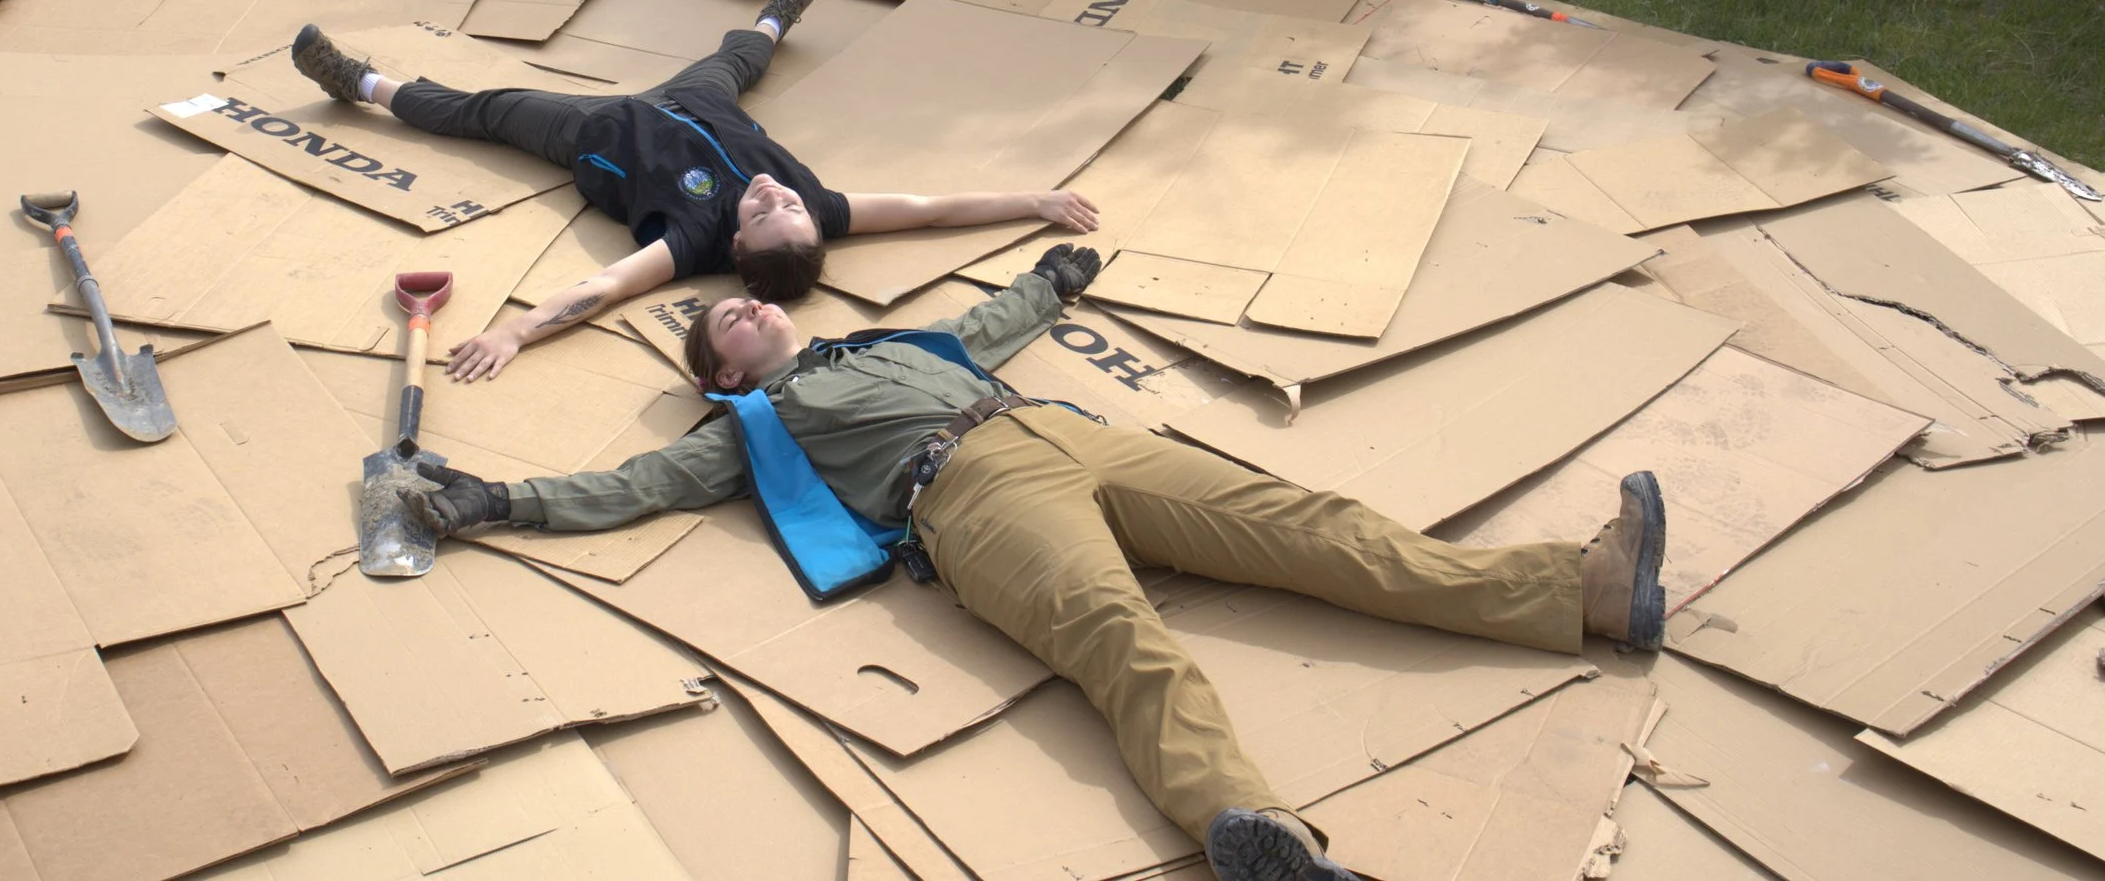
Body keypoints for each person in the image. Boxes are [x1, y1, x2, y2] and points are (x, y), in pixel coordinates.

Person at [391, 248, 1672, 881]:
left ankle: (1583, 593)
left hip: (1063, 433)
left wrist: (1055, 279)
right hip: (969, 498)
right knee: (1123, 644)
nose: (745, 307)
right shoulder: (751, 425)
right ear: (726, 372)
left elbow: (986, 324)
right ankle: (1257, 835)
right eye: (726, 325)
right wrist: (495, 499)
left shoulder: (890, 342)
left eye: (741, 299)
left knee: (1318, 529)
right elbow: (633, 484)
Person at [290, 0, 1100, 381]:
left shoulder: (691, 239)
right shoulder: (820, 208)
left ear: (736, 250)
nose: (769, 192)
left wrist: (513, 330)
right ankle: (781, 10)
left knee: (482, 109)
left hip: (597, 129)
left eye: (759, 212)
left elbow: (602, 291)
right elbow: (927, 209)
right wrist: (1033, 199)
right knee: (741, 55)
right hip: (696, 101)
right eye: (784, 201)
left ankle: (357, 82)